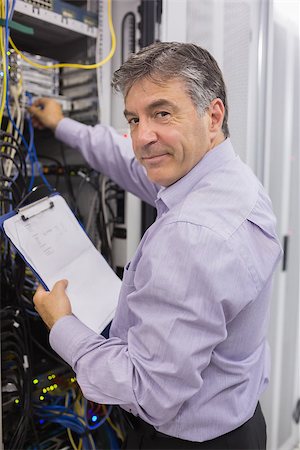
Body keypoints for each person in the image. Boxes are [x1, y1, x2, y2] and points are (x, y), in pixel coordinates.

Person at [30, 42, 282, 449]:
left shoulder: (192, 234)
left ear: (213, 115)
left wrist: (62, 326)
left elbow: (149, 391)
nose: (142, 137)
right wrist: (62, 126)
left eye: (162, 113)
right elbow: (129, 161)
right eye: (133, 119)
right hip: (242, 423)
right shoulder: (228, 178)